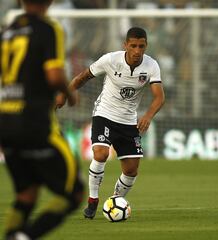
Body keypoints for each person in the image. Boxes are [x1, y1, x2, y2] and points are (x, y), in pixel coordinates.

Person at [56, 27, 165, 219]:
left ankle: (115, 201)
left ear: (146, 46)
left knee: (131, 170)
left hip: (128, 121)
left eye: (141, 46)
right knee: (101, 153)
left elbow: (159, 97)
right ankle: (92, 200)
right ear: (125, 45)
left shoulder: (151, 65)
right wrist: (64, 95)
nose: (137, 50)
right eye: (133, 46)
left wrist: (147, 115)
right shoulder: (110, 60)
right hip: (104, 113)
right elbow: (83, 77)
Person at [0, 0, 84, 239]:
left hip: (6, 123)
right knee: (73, 194)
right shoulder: (49, 28)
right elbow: (54, 74)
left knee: (26, 194)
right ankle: (25, 236)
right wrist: (68, 94)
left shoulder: (8, 31)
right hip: (35, 123)